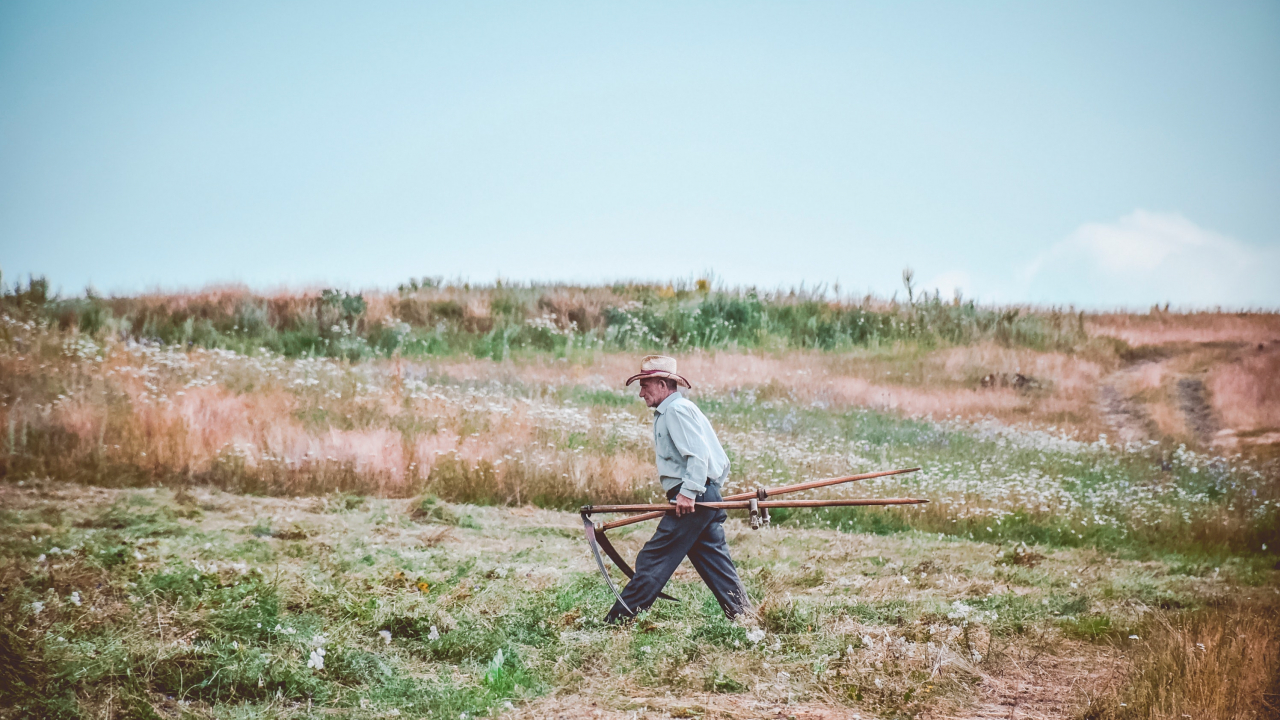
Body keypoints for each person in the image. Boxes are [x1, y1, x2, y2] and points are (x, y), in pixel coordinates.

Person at [604, 355, 751, 623]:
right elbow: (719, 460)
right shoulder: (678, 410)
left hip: (690, 498)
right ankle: (746, 617)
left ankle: (618, 621)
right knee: (715, 564)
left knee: (653, 559)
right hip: (699, 496)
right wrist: (708, 491)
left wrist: (690, 492)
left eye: (644, 385)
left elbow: (698, 456)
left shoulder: (676, 411)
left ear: (662, 384)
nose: (640, 393)